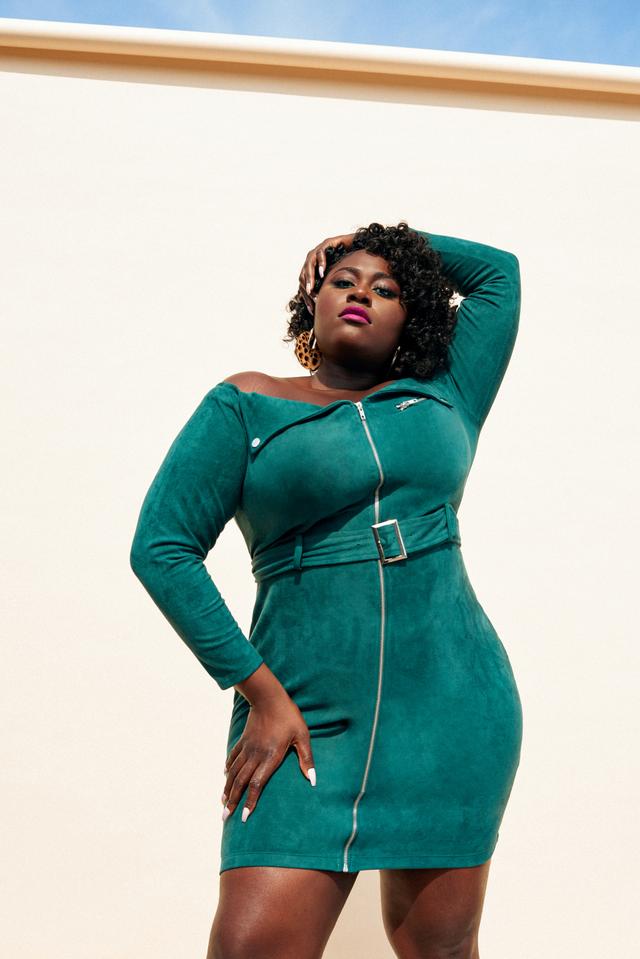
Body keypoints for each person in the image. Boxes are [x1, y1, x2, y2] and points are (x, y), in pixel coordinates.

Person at [130, 221, 523, 959]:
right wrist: (260, 693)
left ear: (413, 317)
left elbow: (498, 275)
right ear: (311, 300)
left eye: (386, 289)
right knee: (250, 948)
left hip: (452, 709)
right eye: (342, 280)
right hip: (301, 711)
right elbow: (161, 548)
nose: (360, 293)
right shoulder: (246, 403)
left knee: (440, 949)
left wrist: (377, 235)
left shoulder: (447, 393)